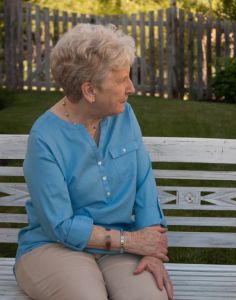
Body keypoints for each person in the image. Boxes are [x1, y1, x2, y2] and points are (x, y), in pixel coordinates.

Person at [15, 23, 173, 300]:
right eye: (122, 79)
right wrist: (132, 241)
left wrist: (152, 247)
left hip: (121, 247)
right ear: (89, 91)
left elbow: (144, 182)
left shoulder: (124, 115)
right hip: (54, 247)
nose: (131, 87)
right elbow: (60, 225)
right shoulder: (45, 137)